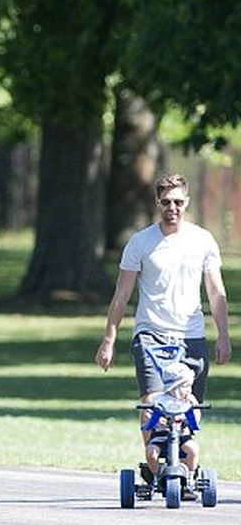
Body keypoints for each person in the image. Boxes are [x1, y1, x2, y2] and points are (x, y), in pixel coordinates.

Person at [94, 173, 231, 453]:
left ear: (187, 202)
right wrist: (108, 340)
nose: (173, 208)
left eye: (178, 202)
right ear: (158, 202)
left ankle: (186, 464)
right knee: (152, 403)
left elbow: (216, 292)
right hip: (151, 335)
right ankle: (154, 461)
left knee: (190, 405)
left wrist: (223, 336)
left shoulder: (202, 240)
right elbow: (122, 295)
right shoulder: (141, 243)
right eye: (166, 202)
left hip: (190, 335)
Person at [144, 362, 200, 500]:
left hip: (182, 435)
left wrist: (191, 415)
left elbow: (196, 416)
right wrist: (157, 421)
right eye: (185, 386)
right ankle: (157, 476)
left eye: (190, 386)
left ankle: (191, 476)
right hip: (161, 436)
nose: (189, 390)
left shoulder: (189, 400)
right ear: (174, 387)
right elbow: (149, 415)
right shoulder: (159, 400)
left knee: (192, 449)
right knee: (151, 452)